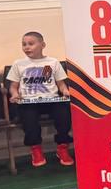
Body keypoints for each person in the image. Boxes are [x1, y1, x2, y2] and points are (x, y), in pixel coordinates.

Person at [6, 31, 73, 168]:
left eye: (31, 44)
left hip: (51, 100)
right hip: (29, 101)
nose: (27, 47)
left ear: (43, 45)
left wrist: (66, 92)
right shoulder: (18, 64)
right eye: (24, 44)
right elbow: (13, 87)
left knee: (64, 113)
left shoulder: (53, 62)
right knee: (28, 117)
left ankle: (62, 147)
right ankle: (36, 149)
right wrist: (14, 94)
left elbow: (61, 84)